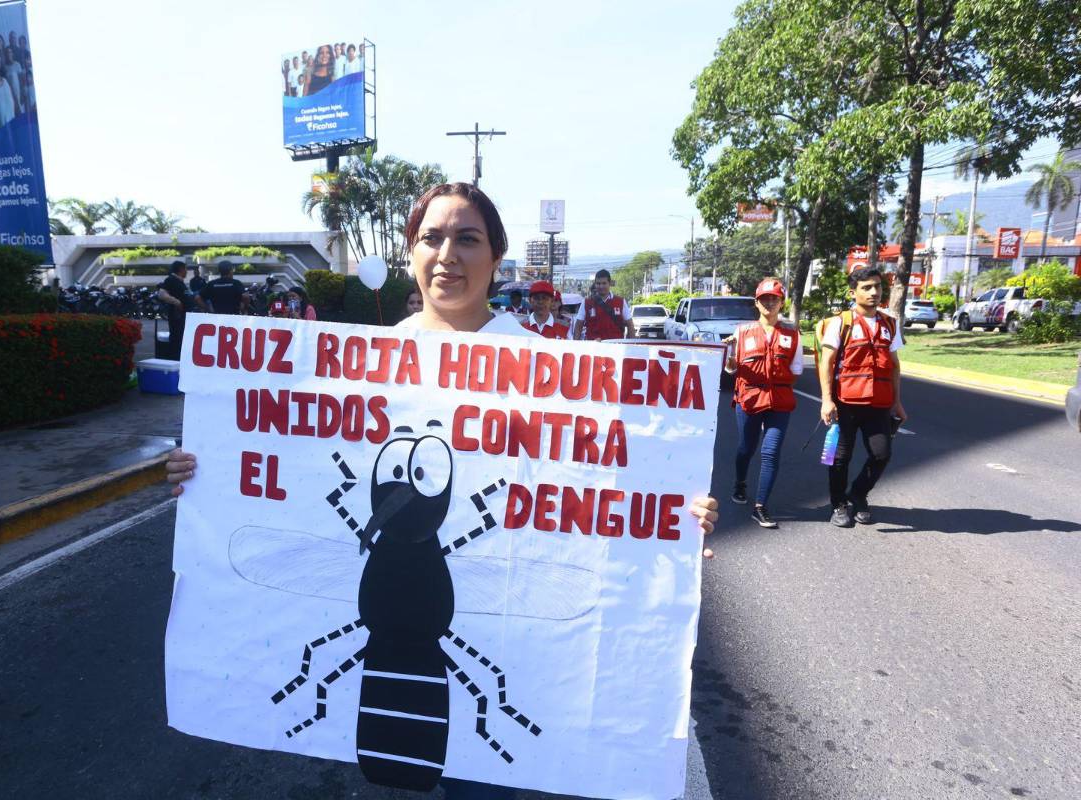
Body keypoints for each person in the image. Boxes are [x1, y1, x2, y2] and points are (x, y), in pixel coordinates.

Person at [165, 183, 718, 799]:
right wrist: (204, 469)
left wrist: (676, 515)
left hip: (511, 660)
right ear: (410, 253)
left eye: (467, 239)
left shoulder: (553, 369)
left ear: (496, 257)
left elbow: (608, 488)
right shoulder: (362, 361)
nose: (447, 254)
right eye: (432, 238)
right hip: (391, 689)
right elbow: (296, 456)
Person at [818, 265, 907, 527]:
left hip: (879, 404)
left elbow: (895, 366)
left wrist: (897, 403)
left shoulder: (890, 324)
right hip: (846, 403)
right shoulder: (840, 323)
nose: (874, 292)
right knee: (839, 457)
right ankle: (838, 504)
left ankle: (858, 492)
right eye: (866, 288)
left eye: (877, 287)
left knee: (882, 454)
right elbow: (827, 362)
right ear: (853, 292)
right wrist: (826, 399)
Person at [723, 278, 802, 529]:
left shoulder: (792, 334)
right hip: (749, 399)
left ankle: (760, 506)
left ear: (781, 302)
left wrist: (777, 381)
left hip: (779, 401)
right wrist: (732, 354)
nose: (770, 303)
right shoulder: (742, 332)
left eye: (774, 299)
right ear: (757, 303)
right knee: (747, 448)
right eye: (764, 299)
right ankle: (740, 482)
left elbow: (797, 368)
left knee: (771, 452)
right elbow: (729, 369)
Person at [580, 269, 633, 341]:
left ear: (610, 283)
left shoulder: (620, 301)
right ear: (595, 284)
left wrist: (631, 344)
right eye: (598, 283)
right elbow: (578, 325)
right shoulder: (586, 302)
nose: (601, 286)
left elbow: (630, 324)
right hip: (593, 349)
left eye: (604, 283)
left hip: (616, 348)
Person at [156, 260, 192, 360]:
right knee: (176, 338)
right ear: (180, 269)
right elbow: (162, 294)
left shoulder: (180, 281)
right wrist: (177, 302)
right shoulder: (170, 279)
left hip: (183, 316)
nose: (186, 271)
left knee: (181, 339)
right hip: (177, 316)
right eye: (185, 269)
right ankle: (174, 359)